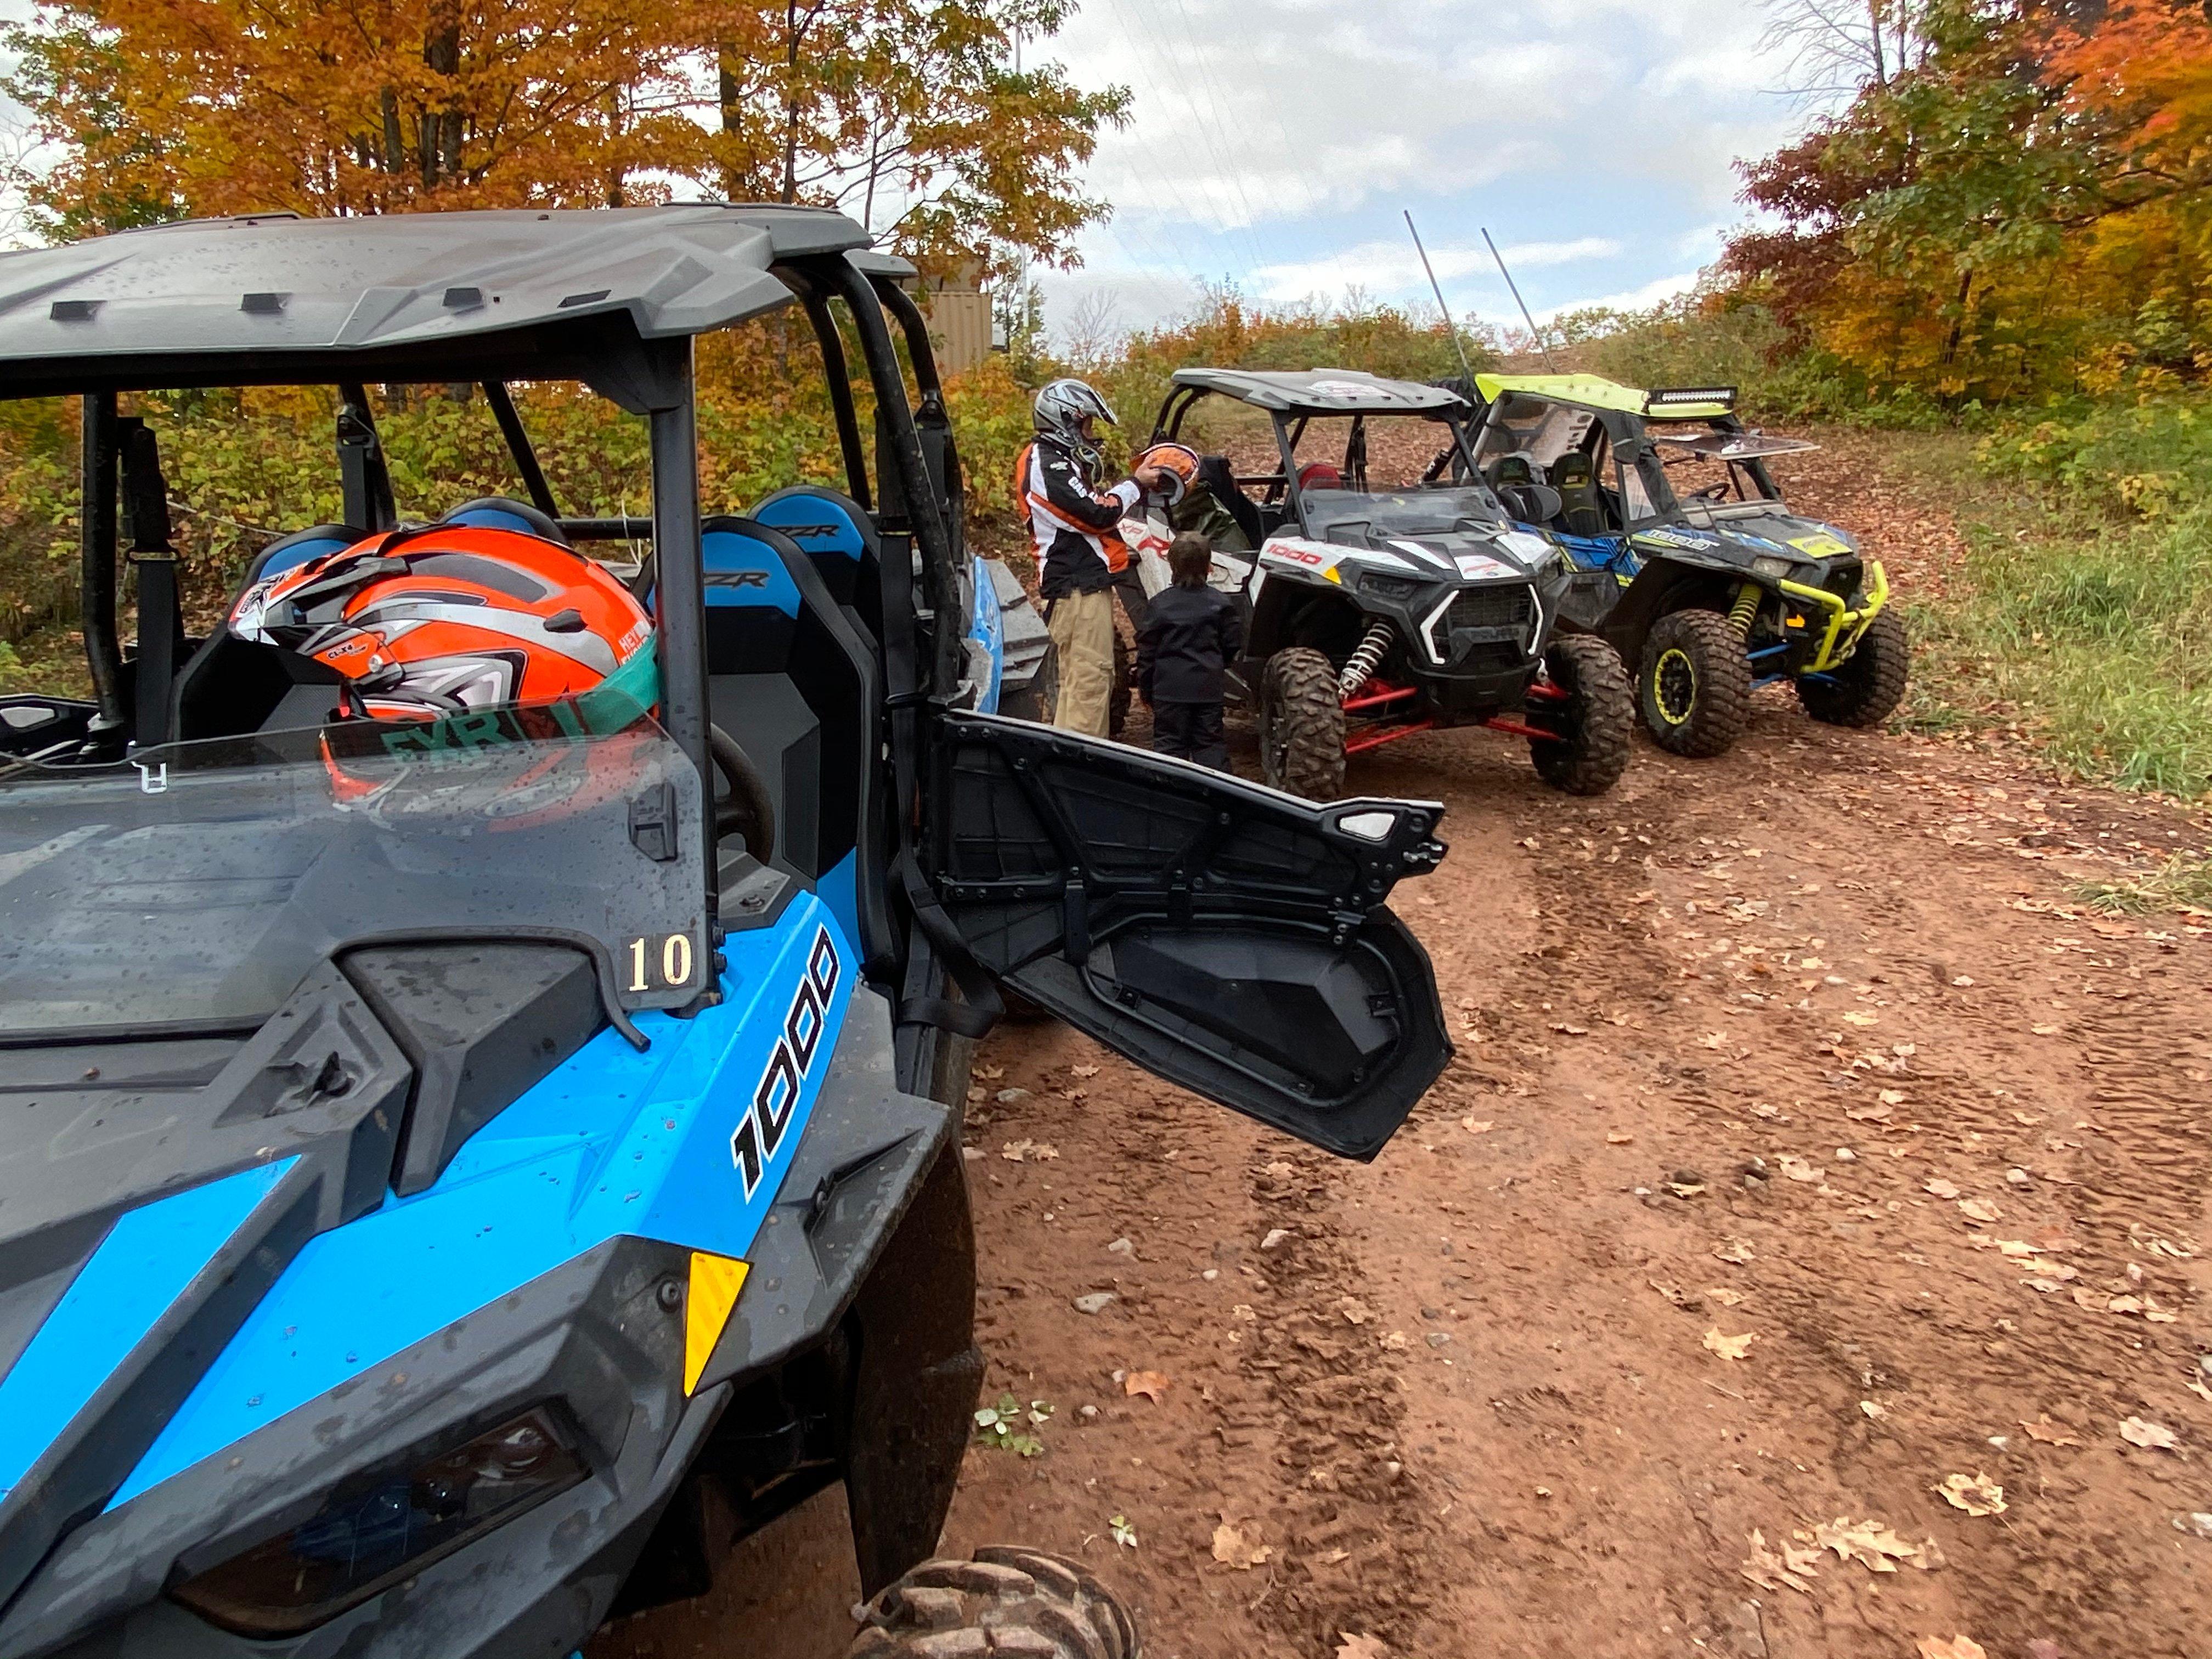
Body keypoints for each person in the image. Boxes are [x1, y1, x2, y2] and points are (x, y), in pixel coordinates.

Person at [1014, 378, 1169, 737]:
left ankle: (1068, 771)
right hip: (1075, 589)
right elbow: (1095, 513)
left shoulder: (1059, 463)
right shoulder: (1047, 464)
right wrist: (1136, 484)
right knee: (1088, 684)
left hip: (1082, 585)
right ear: (1066, 421)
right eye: (1087, 424)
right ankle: (1079, 778)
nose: (1091, 433)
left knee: (1082, 686)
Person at [1136, 531, 1240, 771]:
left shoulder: (1160, 605)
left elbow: (1147, 653)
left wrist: (1146, 689)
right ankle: (1219, 799)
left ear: (1171, 564)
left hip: (1169, 691)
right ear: (1209, 566)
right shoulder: (1221, 604)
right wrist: (1214, 666)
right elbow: (1231, 645)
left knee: (1170, 748)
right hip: (1208, 689)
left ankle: (1173, 802)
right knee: (1210, 745)